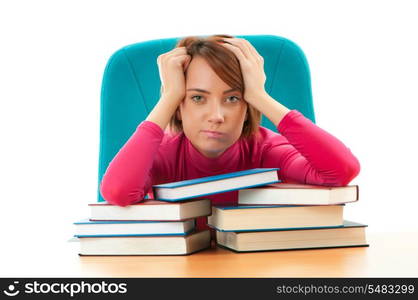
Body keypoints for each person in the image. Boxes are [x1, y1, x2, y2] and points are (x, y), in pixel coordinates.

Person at [99, 34, 361, 236]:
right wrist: (168, 98)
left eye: (233, 98)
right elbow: (118, 191)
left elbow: (340, 170)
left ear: (247, 108)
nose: (216, 115)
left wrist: (260, 95)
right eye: (198, 98)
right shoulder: (164, 153)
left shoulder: (265, 148)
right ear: (180, 106)